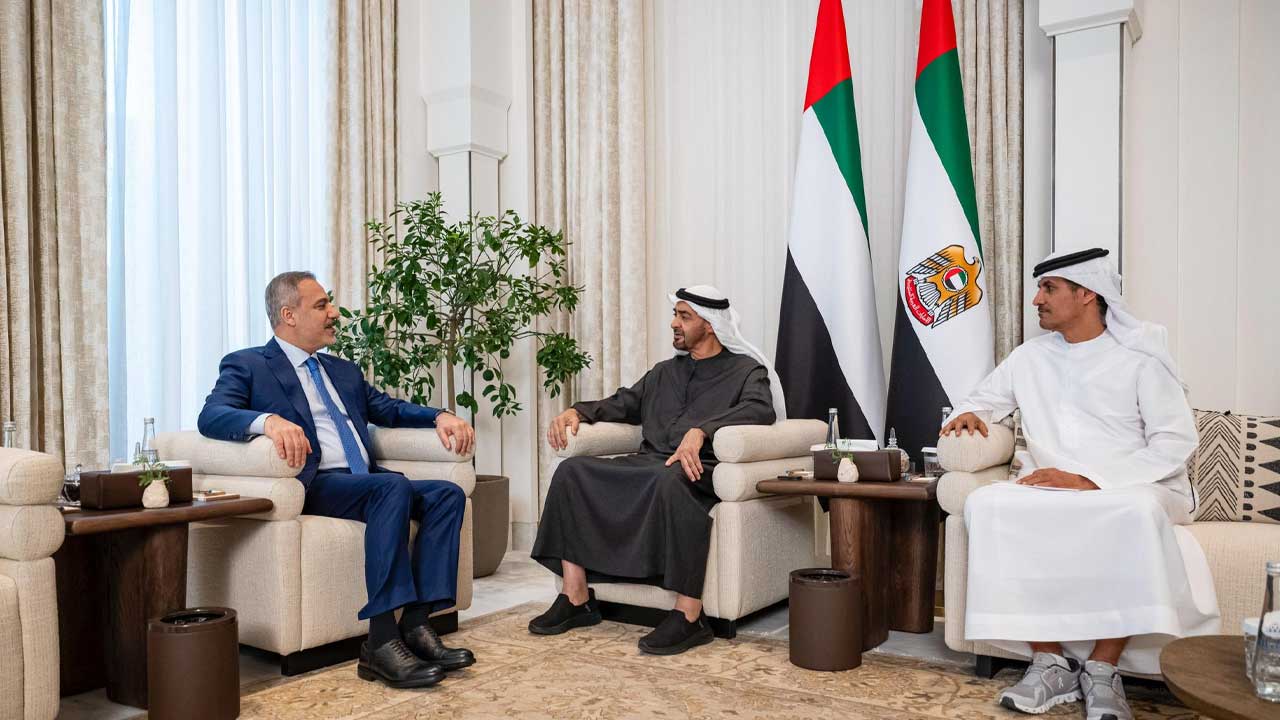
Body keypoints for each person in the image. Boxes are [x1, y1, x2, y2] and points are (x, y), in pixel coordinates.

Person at [942, 248, 1219, 720]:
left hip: (1136, 484)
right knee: (987, 503)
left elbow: (1174, 441)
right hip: (1053, 485)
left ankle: (1103, 668)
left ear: (1087, 293)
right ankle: (1049, 661)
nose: (1037, 300)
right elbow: (982, 400)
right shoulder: (1031, 357)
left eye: (1049, 289)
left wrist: (1092, 480)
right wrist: (970, 413)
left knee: (1134, 511)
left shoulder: (1140, 358)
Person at [198, 271, 479, 690]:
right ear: (289, 315)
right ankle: (381, 642)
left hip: (364, 482)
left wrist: (439, 415)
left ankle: (417, 625)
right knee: (392, 487)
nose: (334, 313)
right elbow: (212, 415)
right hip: (316, 484)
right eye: (321, 305)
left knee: (446, 494)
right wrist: (268, 421)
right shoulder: (249, 364)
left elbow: (387, 409)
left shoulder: (342, 370)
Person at [529, 286, 784, 655]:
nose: (674, 323)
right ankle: (576, 596)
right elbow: (623, 403)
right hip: (650, 461)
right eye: (675, 315)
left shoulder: (746, 371)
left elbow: (761, 410)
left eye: (684, 316)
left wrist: (702, 431)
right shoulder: (664, 372)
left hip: (699, 467)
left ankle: (689, 615)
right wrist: (577, 411)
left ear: (710, 325)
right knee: (572, 471)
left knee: (671, 479)